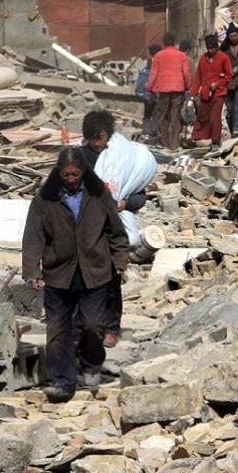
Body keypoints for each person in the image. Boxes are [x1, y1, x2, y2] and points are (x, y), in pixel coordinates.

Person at [22, 148, 129, 403]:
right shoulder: (44, 200)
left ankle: (91, 363)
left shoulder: (98, 194)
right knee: (58, 330)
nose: (70, 178)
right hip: (59, 273)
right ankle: (62, 380)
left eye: (75, 174)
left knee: (92, 326)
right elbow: (33, 237)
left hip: (95, 272)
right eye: (66, 174)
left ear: (83, 172)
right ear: (58, 173)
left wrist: (120, 260)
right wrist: (32, 271)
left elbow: (115, 230)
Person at [75, 109, 150, 348]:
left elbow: (139, 198)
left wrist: (123, 203)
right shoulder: (78, 157)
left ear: (108, 134)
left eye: (101, 137)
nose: (97, 143)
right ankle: (78, 330)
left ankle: (111, 328)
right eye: (93, 139)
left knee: (111, 283)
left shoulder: (123, 158)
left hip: (111, 232)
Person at [147, 32, 191, 150]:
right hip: (178, 89)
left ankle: (164, 142)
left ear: (164, 42)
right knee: (175, 116)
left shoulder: (158, 56)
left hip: (162, 90)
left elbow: (153, 74)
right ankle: (174, 144)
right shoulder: (182, 56)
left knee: (163, 116)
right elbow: (186, 73)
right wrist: (188, 86)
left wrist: (149, 88)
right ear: (174, 42)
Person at [191, 34, 233, 149]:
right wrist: (193, 94)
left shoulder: (223, 58)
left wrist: (218, 84)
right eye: (208, 48)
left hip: (218, 94)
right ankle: (199, 138)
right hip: (205, 93)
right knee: (202, 116)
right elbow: (198, 78)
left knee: (215, 118)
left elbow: (229, 76)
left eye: (212, 48)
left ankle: (215, 141)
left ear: (216, 47)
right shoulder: (203, 59)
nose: (210, 50)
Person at [135, 44, 161, 140]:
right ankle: (154, 131)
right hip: (158, 91)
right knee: (156, 112)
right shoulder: (161, 61)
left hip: (148, 92)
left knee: (147, 113)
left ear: (150, 53)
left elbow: (142, 77)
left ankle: (147, 132)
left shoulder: (149, 63)